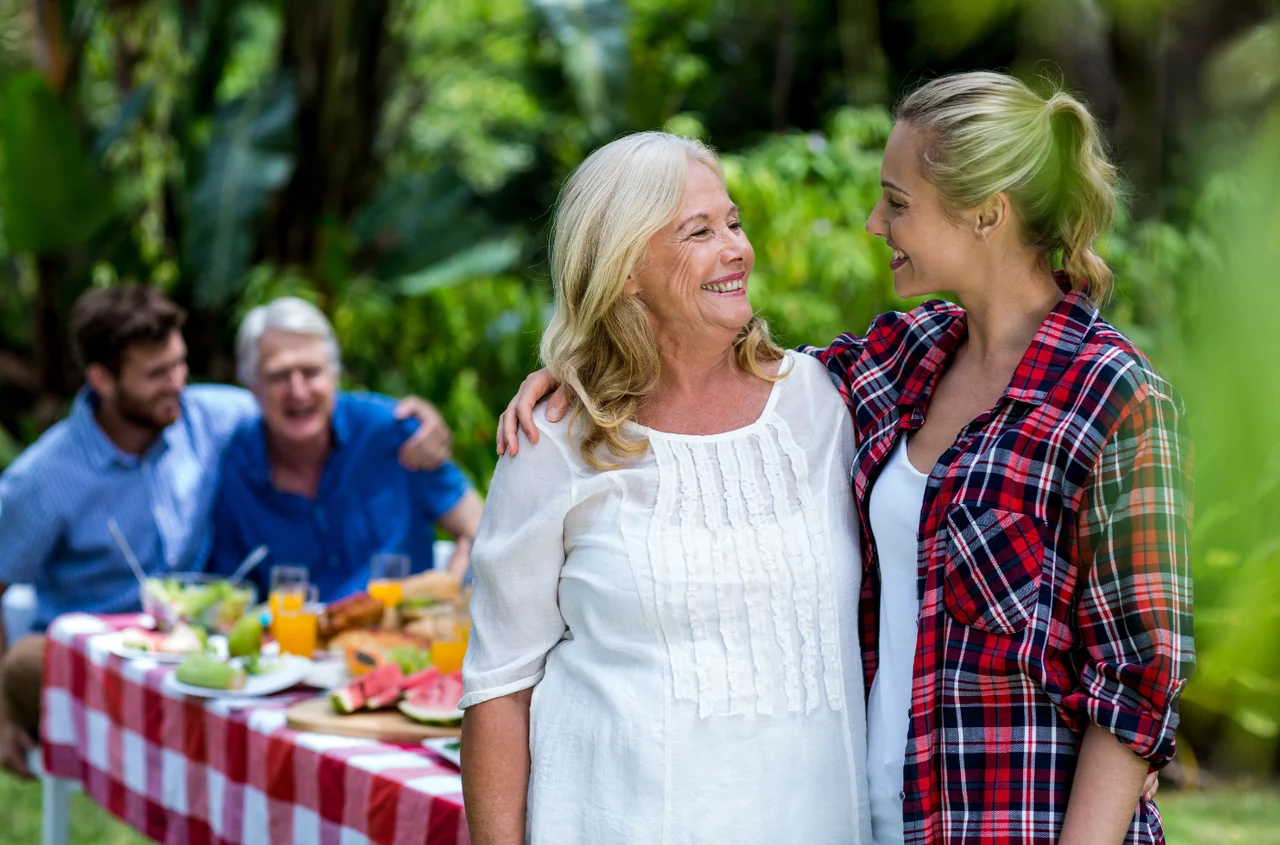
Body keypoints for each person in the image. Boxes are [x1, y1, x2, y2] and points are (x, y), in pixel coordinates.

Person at [499, 72, 1191, 845]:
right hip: (878, 819)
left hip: (1016, 823)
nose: (873, 222)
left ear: (986, 214)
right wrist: (584, 365)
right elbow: (714, 377)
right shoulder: (903, 362)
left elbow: (1138, 683)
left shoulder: (1115, 396)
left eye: (897, 203)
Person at [461, 132, 871, 845]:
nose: (737, 248)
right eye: (699, 231)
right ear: (624, 270)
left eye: (734, 223)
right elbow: (498, 685)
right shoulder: (553, 440)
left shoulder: (825, 403)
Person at [0, 284, 453, 778]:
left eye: (179, 364)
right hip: (96, 666)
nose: (177, 383)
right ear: (102, 380)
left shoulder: (209, 415)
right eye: (156, 374)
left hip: (198, 661)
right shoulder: (44, 478)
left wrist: (415, 422)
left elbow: (308, 404)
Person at [208, 297, 482, 601]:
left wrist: (450, 589)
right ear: (253, 387)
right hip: (293, 646)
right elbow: (230, 595)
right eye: (279, 376)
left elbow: (480, 529)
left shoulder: (391, 431)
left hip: (402, 641)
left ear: (335, 376)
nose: (298, 391)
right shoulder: (237, 470)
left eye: (311, 372)